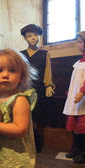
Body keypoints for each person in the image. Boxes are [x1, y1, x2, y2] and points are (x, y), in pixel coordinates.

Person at [20, 24, 55, 153]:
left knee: (36, 117)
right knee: (23, 115)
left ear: (39, 36)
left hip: (38, 90)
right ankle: (24, 143)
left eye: (35, 35)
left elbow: (48, 71)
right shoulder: (20, 54)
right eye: (29, 36)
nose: (33, 38)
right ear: (25, 38)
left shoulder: (44, 54)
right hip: (23, 90)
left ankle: (35, 144)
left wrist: (48, 85)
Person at [63, 31, 85, 164]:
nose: (77, 44)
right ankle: (77, 149)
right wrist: (71, 92)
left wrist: (83, 91)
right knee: (76, 126)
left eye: (80, 42)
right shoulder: (79, 61)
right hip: (76, 98)